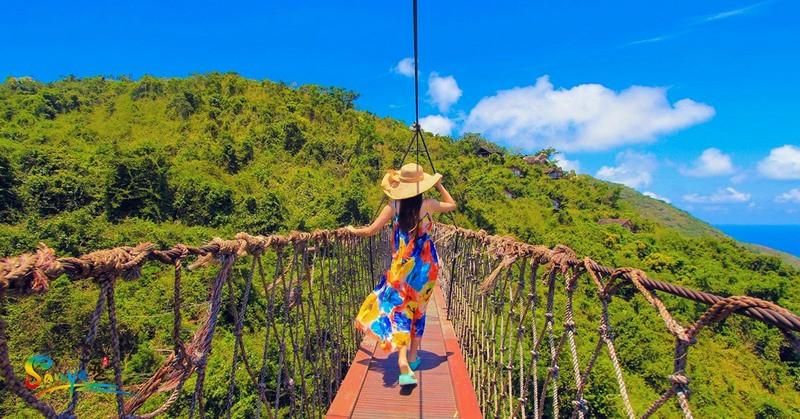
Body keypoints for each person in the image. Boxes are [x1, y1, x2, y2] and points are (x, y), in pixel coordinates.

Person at [347, 163, 456, 386]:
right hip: (426, 268)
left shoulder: (394, 206)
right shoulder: (429, 205)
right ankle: (414, 357)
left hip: (402, 269)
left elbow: (370, 230)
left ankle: (403, 359)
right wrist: (440, 185)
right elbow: (452, 205)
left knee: (401, 310)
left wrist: (353, 231)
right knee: (420, 310)